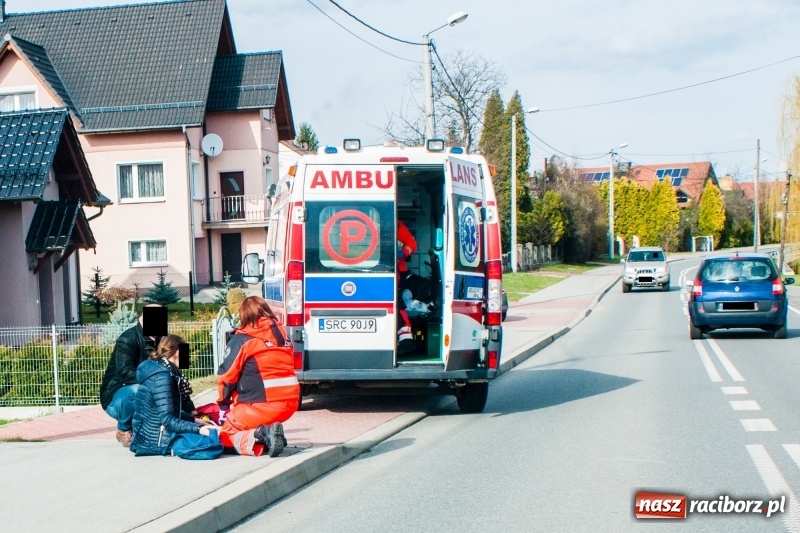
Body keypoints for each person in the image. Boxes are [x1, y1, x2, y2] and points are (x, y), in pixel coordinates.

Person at [217, 296, 299, 457]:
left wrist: (223, 405)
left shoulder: (243, 340)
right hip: (290, 404)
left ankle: (262, 435)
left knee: (224, 435)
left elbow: (227, 376)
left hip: (260, 406)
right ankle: (270, 435)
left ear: (244, 315)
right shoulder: (284, 338)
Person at [129, 335, 215, 456]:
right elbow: (168, 420)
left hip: (147, 436)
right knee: (212, 444)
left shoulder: (158, 368)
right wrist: (199, 429)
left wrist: (195, 420)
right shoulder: (163, 377)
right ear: (177, 353)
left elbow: (169, 411)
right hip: (157, 441)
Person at [99, 306, 161, 447]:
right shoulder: (126, 339)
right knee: (138, 389)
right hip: (117, 395)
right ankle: (124, 429)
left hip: (149, 390)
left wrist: (191, 410)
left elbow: (179, 370)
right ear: (142, 320)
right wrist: (154, 380)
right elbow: (125, 374)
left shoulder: (164, 339)